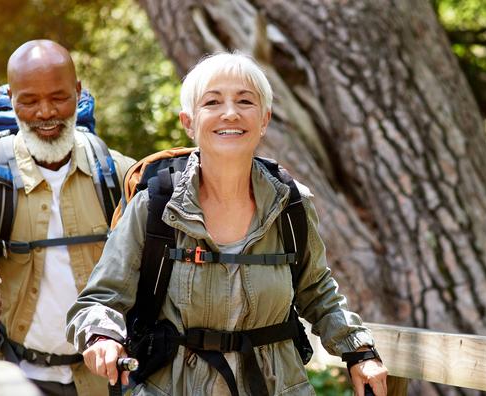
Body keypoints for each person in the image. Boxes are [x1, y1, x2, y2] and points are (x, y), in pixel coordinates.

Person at [66, 52, 389, 396]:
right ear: (188, 122)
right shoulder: (155, 205)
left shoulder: (292, 205)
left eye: (245, 101)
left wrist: (360, 351)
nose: (231, 113)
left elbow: (318, 292)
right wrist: (103, 336)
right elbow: (101, 299)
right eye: (213, 102)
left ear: (264, 120)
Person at [0, 39, 136, 396]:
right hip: (13, 379)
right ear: (12, 98)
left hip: (105, 383)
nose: (45, 112)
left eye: (58, 97)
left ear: (78, 92)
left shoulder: (120, 174)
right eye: (29, 101)